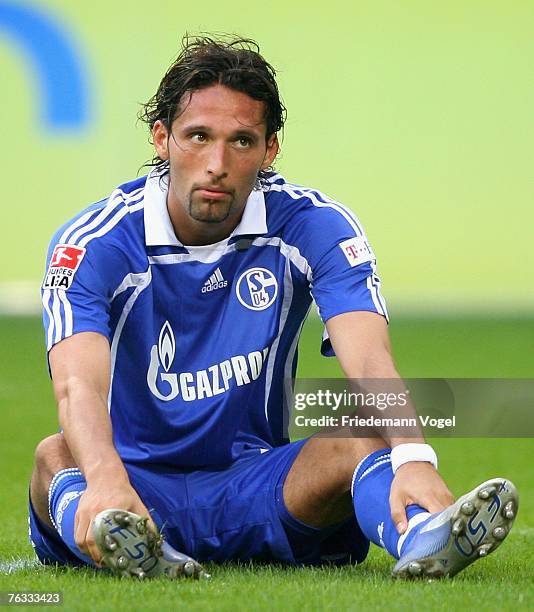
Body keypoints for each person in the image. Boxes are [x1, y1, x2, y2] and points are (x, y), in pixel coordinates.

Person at [29, 35, 518, 580]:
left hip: (257, 485)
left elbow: (370, 362)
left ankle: (424, 533)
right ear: (162, 138)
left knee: (364, 433)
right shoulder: (95, 242)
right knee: (56, 457)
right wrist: (106, 480)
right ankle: (119, 535)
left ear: (269, 150)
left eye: (241, 141)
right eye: (198, 137)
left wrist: (415, 459)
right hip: (132, 486)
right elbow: (77, 386)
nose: (217, 163)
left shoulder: (313, 224)